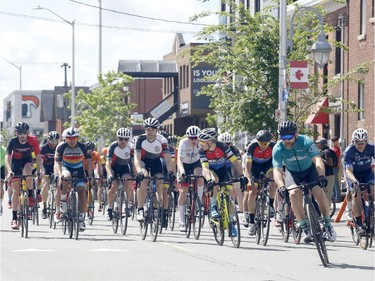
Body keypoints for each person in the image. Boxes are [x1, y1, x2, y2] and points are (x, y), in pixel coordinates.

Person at [272, 120, 337, 243]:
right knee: (294, 194)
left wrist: (322, 176)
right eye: (283, 137)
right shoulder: (278, 148)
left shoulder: (305, 141)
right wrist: (280, 185)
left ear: (296, 135)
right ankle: (305, 228)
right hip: (293, 173)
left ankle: (328, 225)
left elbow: (317, 159)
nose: (286, 140)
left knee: (319, 193)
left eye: (289, 137)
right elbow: (277, 170)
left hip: (309, 171)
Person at [197, 128, 248, 237]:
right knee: (215, 180)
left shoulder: (223, 147)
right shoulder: (202, 151)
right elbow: (205, 168)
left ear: (210, 142)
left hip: (223, 169)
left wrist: (242, 175)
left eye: (201, 142)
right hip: (211, 171)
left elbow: (234, 161)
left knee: (230, 192)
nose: (200, 144)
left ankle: (231, 222)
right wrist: (209, 180)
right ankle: (214, 206)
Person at [134, 118, 176, 222]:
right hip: (144, 162)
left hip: (156, 162)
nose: (150, 132)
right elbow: (137, 159)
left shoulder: (162, 140)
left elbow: (168, 159)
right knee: (144, 179)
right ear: (145, 130)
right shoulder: (140, 139)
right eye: (148, 129)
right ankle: (140, 209)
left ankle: (159, 203)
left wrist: (171, 172)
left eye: (152, 130)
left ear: (157, 130)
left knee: (160, 180)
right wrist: (139, 170)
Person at [5, 122, 42, 230]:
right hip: (16, 162)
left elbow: (38, 156)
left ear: (28, 133)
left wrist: (39, 171)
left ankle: (30, 195)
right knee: (16, 190)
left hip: (27, 160)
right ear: (16, 133)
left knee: (28, 171)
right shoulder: (13, 141)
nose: (22, 135)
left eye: (24, 133)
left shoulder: (33, 140)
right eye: (20, 133)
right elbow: (7, 158)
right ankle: (14, 218)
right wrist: (9, 171)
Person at [54, 127, 92, 232]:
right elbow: (58, 163)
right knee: (66, 178)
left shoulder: (83, 147)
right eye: (69, 138)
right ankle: (63, 200)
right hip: (66, 167)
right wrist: (60, 174)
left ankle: (81, 219)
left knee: (82, 191)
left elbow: (88, 162)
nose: (71, 141)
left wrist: (90, 175)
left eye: (74, 138)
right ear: (66, 139)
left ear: (77, 138)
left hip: (79, 168)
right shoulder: (61, 147)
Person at [244, 130, 276, 235]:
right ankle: (252, 222)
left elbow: (278, 164)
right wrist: (249, 180)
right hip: (254, 168)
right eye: (261, 143)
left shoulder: (273, 146)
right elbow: (248, 168)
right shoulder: (252, 147)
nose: (263, 146)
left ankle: (271, 205)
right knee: (252, 192)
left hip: (268, 166)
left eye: (265, 144)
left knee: (272, 180)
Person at [343, 128, 374, 235]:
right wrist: (354, 181)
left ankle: (371, 211)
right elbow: (348, 170)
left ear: (366, 141)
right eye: (358, 143)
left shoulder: (371, 148)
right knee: (356, 195)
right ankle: (359, 224)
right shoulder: (349, 151)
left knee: (373, 191)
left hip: (366, 173)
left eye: (363, 143)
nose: (361, 145)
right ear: (353, 141)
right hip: (353, 174)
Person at [176, 125, 204, 231]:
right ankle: (181, 221)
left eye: (195, 137)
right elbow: (179, 160)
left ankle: (199, 201)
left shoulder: (201, 143)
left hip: (196, 163)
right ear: (187, 138)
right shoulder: (183, 143)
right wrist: (182, 171)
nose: (193, 140)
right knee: (183, 192)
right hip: (184, 164)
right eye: (191, 138)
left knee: (199, 175)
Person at [105, 128, 134, 221]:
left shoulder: (131, 147)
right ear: (117, 138)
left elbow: (133, 163)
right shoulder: (112, 146)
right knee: (114, 186)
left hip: (124, 168)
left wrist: (136, 175)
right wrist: (110, 175)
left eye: (126, 139)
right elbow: (108, 163)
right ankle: (109, 208)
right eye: (121, 139)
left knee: (129, 182)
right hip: (113, 168)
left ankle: (128, 205)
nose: (123, 141)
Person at [218, 132, 244, 213]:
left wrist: (235, 177)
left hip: (232, 167)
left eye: (228, 143)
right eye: (224, 143)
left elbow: (237, 163)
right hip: (221, 168)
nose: (226, 145)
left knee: (237, 187)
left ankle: (240, 209)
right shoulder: (217, 149)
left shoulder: (234, 149)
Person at [40, 131, 60, 219]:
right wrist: (42, 170)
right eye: (52, 141)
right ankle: (44, 206)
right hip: (46, 167)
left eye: (56, 141)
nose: (54, 143)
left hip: (56, 167)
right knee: (45, 185)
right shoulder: (43, 148)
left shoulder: (60, 148)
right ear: (48, 140)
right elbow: (40, 161)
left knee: (60, 185)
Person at [316, 138, 335, 204]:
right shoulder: (321, 151)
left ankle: (327, 211)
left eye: (318, 143)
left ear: (322, 144)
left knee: (327, 195)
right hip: (323, 175)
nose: (317, 145)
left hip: (328, 175)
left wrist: (320, 159)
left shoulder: (326, 152)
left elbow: (331, 163)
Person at [331, 136, 342, 202]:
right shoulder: (333, 148)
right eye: (333, 141)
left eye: (336, 141)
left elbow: (338, 158)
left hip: (335, 167)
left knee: (335, 182)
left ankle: (337, 197)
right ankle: (334, 196)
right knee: (333, 182)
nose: (335, 142)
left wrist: (338, 164)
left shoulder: (337, 149)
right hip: (332, 166)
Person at [97, 146, 108, 212]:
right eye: (105, 154)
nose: (106, 155)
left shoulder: (110, 157)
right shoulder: (100, 158)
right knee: (100, 187)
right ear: (103, 154)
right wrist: (100, 176)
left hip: (107, 172)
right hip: (101, 171)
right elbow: (98, 167)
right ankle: (99, 204)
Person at [0, 135, 6, 215]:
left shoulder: (4, 150)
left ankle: (0, 203)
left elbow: (6, 162)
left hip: (1, 167)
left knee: (0, 186)